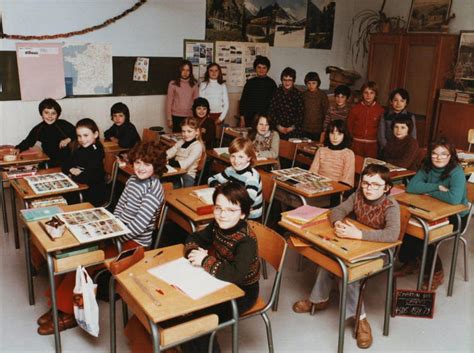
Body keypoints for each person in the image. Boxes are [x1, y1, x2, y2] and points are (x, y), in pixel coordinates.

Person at [36, 141, 167, 335]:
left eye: (147, 165)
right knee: (75, 255)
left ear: (156, 167)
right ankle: (58, 305)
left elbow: (139, 227)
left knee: (87, 263)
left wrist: (112, 236)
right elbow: (119, 208)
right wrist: (106, 229)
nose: (140, 168)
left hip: (135, 245)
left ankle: (68, 313)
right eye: (138, 162)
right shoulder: (132, 180)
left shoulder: (154, 190)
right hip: (118, 235)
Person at [123, 182, 260, 353]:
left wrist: (204, 260)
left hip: (243, 291)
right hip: (219, 279)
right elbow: (193, 238)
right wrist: (194, 252)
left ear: (243, 214)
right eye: (218, 208)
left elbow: (236, 275)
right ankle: (180, 345)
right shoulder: (217, 224)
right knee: (178, 309)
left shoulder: (246, 240)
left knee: (200, 323)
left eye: (231, 210)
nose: (222, 215)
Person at [292, 164, 400, 349]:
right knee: (330, 257)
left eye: (375, 184)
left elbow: (392, 235)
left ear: (387, 187)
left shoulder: (391, 205)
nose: (369, 188)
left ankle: (361, 319)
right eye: (365, 183)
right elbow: (337, 211)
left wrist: (359, 235)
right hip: (356, 244)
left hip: (381, 252)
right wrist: (339, 224)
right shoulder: (357, 196)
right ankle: (319, 300)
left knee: (348, 271)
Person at [396, 138, 468, 290]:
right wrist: (437, 187)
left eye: (444, 154)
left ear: (450, 156)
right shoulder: (427, 167)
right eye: (435, 153)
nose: (439, 157)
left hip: (456, 217)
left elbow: (454, 199)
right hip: (429, 210)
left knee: (425, 235)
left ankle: (436, 272)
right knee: (406, 224)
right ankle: (412, 261)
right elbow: (412, 187)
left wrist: (428, 191)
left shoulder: (456, 172)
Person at [208, 137, 262, 220]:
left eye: (241, 157)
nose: (236, 161)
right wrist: (217, 185)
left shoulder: (252, 177)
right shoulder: (230, 170)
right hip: (232, 208)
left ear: (249, 158)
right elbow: (211, 178)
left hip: (249, 216)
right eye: (233, 156)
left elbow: (248, 201)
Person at [15, 98, 75, 167]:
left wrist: (68, 139)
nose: (50, 116)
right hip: (47, 161)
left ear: (57, 115)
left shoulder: (63, 124)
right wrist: (18, 148)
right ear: (41, 114)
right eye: (46, 113)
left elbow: (77, 132)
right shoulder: (39, 128)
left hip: (66, 161)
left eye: (53, 113)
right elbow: (28, 141)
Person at [62, 118, 106, 207]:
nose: (82, 139)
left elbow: (85, 178)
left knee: (63, 201)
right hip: (80, 187)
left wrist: (72, 174)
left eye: (86, 135)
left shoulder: (97, 152)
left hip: (93, 194)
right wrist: (71, 169)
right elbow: (65, 164)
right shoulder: (81, 148)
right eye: (79, 136)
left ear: (95, 134)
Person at [310, 119, 355, 188]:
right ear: (328, 134)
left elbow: (347, 179)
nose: (335, 137)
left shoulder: (348, 154)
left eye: (339, 134)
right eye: (332, 133)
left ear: (344, 135)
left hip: (336, 189)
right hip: (317, 186)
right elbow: (313, 171)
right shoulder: (321, 150)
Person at [347, 81, 384, 158]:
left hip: (373, 145)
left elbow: (381, 129)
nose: (368, 95)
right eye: (365, 92)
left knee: (370, 167)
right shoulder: (355, 109)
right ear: (362, 94)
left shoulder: (380, 110)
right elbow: (349, 126)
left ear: (375, 94)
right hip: (356, 143)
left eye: (371, 93)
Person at [239, 55, 277, 127]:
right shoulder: (249, 83)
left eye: (264, 68)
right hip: (250, 119)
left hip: (265, 121)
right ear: (255, 68)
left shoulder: (272, 84)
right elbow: (243, 101)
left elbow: (274, 105)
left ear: (267, 69)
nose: (261, 70)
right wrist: (242, 118)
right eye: (259, 67)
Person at [166, 117, 205, 187]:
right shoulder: (181, 141)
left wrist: (168, 162)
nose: (186, 134)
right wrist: (162, 157)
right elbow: (170, 152)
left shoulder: (197, 146)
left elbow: (185, 164)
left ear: (197, 132)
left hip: (187, 177)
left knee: (168, 186)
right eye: (183, 131)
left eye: (189, 131)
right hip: (176, 172)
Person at [268, 67, 304, 140]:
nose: (287, 82)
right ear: (281, 80)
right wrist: (278, 126)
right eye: (285, 80)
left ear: (293, 81)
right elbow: (271, 111)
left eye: (290, 80)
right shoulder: (276, 93)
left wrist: (292, 127)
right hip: (277, 128)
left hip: (293, 131)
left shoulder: (298, 94)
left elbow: (301, 114)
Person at [166, 59, 199, 132]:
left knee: (189, 138)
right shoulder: (172, 84)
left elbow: (196, 102)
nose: (185, 72)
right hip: (176, 116)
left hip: (190, 116)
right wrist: (169, 119)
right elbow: (169, 102)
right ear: (179, 70)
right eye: (183, 70)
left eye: (188, 70)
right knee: (177, 138)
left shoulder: (194, 84)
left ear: (191, 72)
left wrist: (196, 118)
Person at [199, 62, 229, 128]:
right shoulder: (203, 84)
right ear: (208, 72)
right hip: (207, 115)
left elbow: (226, 104)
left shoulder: (222, 85)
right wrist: (205, 115)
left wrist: (221, 118)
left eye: (216, 70)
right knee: (207, 136)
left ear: (219, 72)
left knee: (217, 137)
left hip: (219, 115)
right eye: (211, 70)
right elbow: (201, 102)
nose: (213, 72)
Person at [302, 72, 329, 141]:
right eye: (309, 83)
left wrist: (324, 129)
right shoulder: (303, 95)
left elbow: (326, 112)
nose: (311, 86)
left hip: (318, 129)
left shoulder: (322, 95)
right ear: (306, 83)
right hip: (305, 128)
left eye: (313, 83)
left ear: (318, 83)